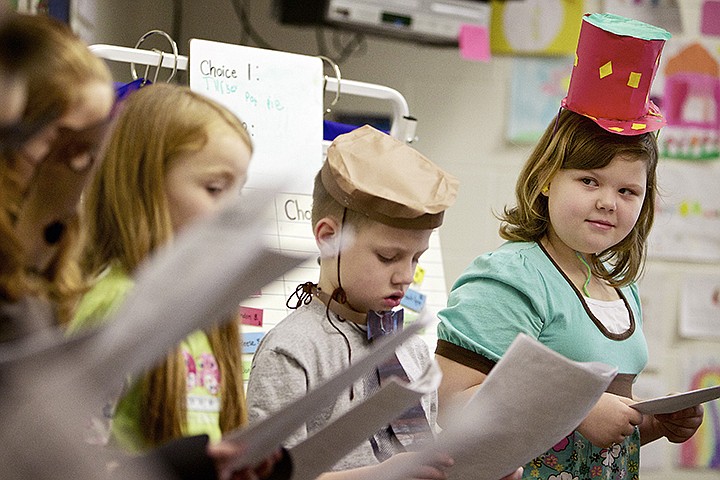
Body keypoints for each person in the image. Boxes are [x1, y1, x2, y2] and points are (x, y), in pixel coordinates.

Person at [434, 13, 704, 480]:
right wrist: (577, 409)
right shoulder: (510, 277)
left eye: (627, 191)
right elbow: (451, 404)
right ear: (544, 179)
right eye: (588, 180)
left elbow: (602, 433)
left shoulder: (617, 287)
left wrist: (653, 422)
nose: (607, 203)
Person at [247, 125, 522, 480]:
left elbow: (424, 450)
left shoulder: (411, 351)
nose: (405, 276)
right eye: (388, 256)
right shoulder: (292, 351)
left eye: (416, 258)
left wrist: (476, 471)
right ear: (329, 238)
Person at [67, 82, 258, 456]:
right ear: (146, 185)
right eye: (216, 188)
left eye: (240, 192)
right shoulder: (117, 303)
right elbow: (73, 455)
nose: (234, 211)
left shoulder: (203, 309)